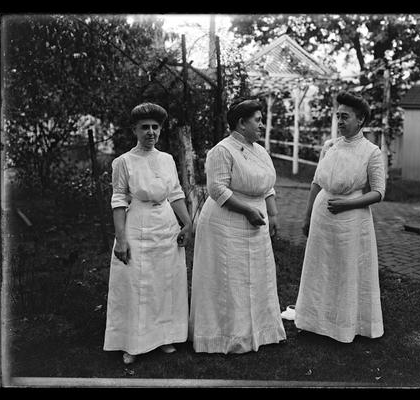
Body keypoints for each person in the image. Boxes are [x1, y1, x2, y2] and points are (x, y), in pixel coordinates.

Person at [189, 99, 286, 353]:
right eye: (258, 120)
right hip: (226, 223)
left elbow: (268, 185)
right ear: (241, 124)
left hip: (257, 220)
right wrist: (246, 210)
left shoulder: (260, 151)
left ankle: (259, 331)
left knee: (255, 276)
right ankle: (226, 335)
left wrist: (272, 213)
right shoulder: (222, 151)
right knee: (229, 278)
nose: (262, 125)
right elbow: (216, 189)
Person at [103, 102, 193, 364]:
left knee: (165, 283)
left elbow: (176, 193)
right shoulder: (123, 162)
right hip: (137, 225)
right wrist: (121, 239)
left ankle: (164, 337)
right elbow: (119, 200)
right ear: (135, 130)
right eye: (145, 127)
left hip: (166, 226)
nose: (151, 132)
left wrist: (187, 224)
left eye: (155, 127)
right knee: (136, 284)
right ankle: (133, 342)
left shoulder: (166, 160)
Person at [295, 91, 386, 343]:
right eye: (338, 116)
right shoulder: (330, 146)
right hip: (322, 215)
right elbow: (316, 182)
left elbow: (379, 192)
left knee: (345, 269)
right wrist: (306, 215)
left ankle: (344, 325)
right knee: (320, 266)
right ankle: (316, 320)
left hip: (351, 220)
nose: (340, 121)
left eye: (345, 117)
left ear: (361, 120)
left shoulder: (371, 152)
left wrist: (348, 204)